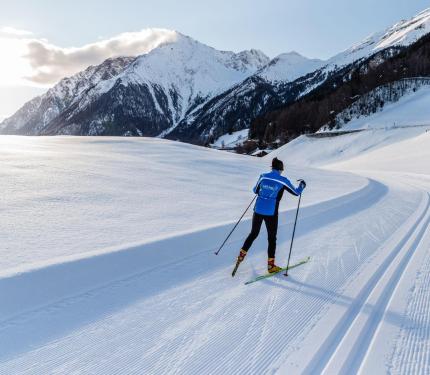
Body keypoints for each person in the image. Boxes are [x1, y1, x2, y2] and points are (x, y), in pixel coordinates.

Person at [236, 157, 306, 273]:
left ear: (272, 168)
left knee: (253, 233)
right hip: (271, 212)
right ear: (280, 169)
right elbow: (296, 193)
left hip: (258, 209)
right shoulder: (283, 180)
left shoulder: (263, 176)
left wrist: (265, 189)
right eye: (282, 170)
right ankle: (271, 266)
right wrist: (302, 186)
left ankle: (240, 256)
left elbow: (255, 190)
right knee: (272, 238)